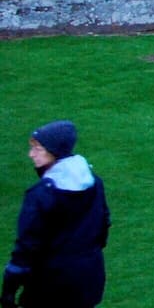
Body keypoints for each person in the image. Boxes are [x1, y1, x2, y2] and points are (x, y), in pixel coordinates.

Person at [2, 121, 109, 308]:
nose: (31, 154)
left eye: (38, 149)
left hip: (50, 286)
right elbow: (103, 225)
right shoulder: (94, 182)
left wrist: (9, 289)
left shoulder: (42, 194)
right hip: (89, 279)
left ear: (54, 151)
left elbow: (27, 246)